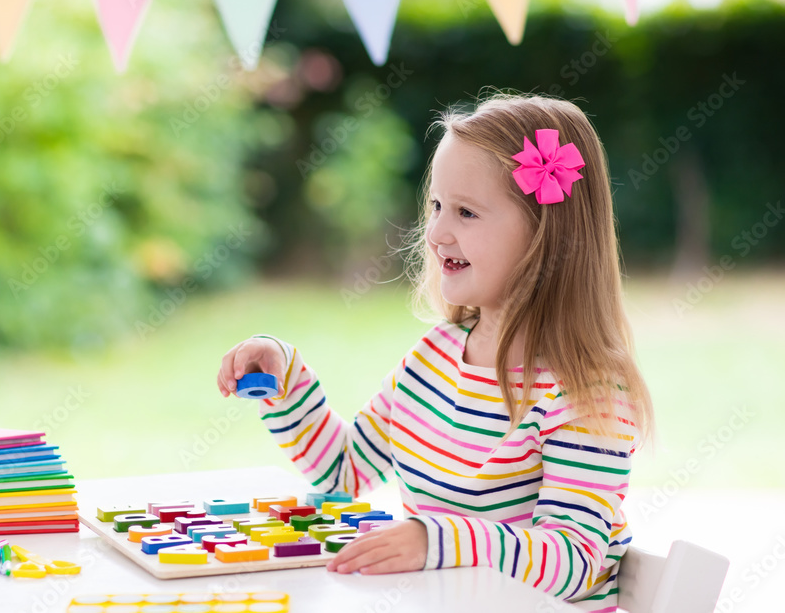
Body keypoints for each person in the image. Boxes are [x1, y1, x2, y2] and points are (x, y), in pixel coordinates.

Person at [215, 91, 654, 612]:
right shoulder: (433, 357)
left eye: (467, 212)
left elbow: (572, 560)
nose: (438, 232)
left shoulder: (587, 390)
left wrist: (437, 541)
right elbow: (345, 472)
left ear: (547, 235)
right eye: (437, 207)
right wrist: (285, 380)